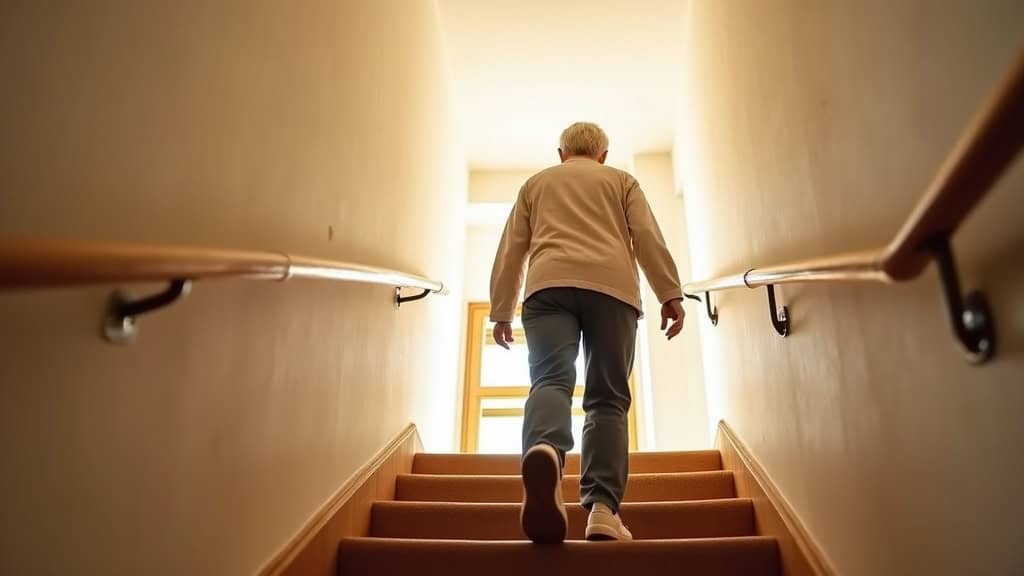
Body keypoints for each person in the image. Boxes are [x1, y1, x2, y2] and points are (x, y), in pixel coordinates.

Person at [489, 122, 686, 544]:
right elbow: (647, 237)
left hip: (547, 288)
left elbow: (512, 248)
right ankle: (602, 509)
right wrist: (669, 292)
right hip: (611, 289)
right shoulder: (621, 181)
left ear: (561, 153)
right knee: (608, 397)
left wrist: (502, 309)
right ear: (603, 154)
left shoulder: (536, 184)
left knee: (550, 381)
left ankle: (544, 449)